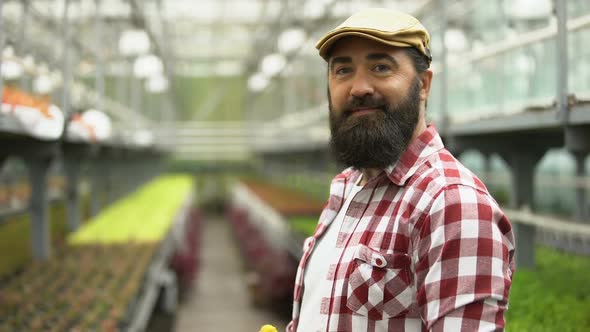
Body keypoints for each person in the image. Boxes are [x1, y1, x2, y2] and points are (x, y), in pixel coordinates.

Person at [287, 8, 515, 332]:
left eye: (381, 67)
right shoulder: (347, 189)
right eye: (343, 70)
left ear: (423, 84)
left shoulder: (450, 204)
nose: (358, 87)